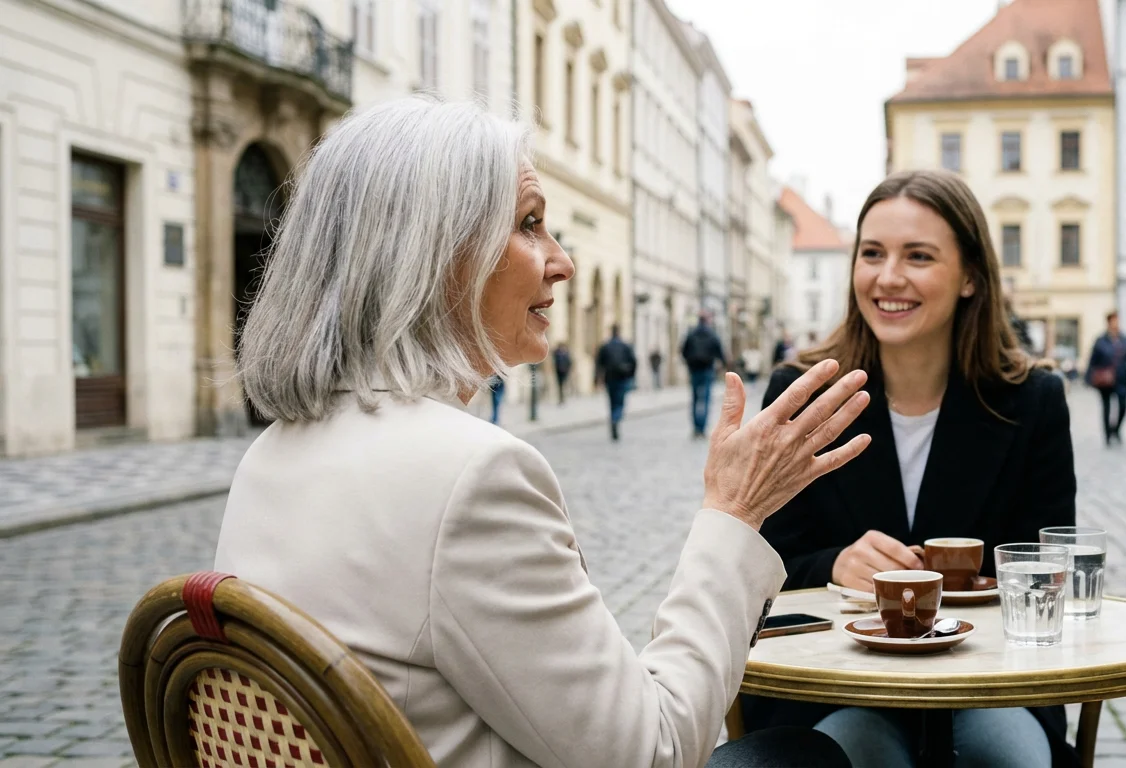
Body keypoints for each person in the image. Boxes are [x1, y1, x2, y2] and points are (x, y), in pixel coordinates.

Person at [215, 97, 869, 768]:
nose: (562, 262)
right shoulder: (468, 475)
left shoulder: (270, 453)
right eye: (530, 225)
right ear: (436, 253)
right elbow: (652, 752)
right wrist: (734, 511)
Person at [743, 170, 1077, 768]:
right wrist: (835, 564)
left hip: (989, 684)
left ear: (971, 276)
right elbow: (754, 568)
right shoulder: (802, 392)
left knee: (1013, 759)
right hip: (836, 684)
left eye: (918, 256)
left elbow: (1044, 572)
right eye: (872, 254)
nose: (888, 277)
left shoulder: (1031, 402)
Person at [1087, 311, 1126, 446]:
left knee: (1123, 406)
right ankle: (1107, 435)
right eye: (1114, 321)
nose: (1116, 324)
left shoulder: (1125, 339)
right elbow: (1093, 360)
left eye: (1118, 321)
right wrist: (1089, 377)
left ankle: (1116, 429)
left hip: (1121, 378)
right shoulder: (1100, 340)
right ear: (1108, 322)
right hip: (1105, 379)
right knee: (1106, 408)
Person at [683, 312, 728, 438]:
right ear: (707, 320)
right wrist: (723, 366)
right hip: (707, 370)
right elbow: (720, 352)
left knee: (695, 398)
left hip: (694, 370)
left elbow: (684, 351)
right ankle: (702, 428)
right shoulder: (712, 334)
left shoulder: (691, 334)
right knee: (706, 399)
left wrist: (689, 364)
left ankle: (696, 427)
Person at [595, 325, 637, 441]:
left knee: (612, 402)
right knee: (620, 403)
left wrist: (597, 379)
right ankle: (615, 419)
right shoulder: (625, 346)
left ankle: (613, 419)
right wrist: (631, 376)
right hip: (622, 378)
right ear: (618, 332)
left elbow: (598, 363)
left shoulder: (606, 346)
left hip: (610, 378)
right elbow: (633, 361)